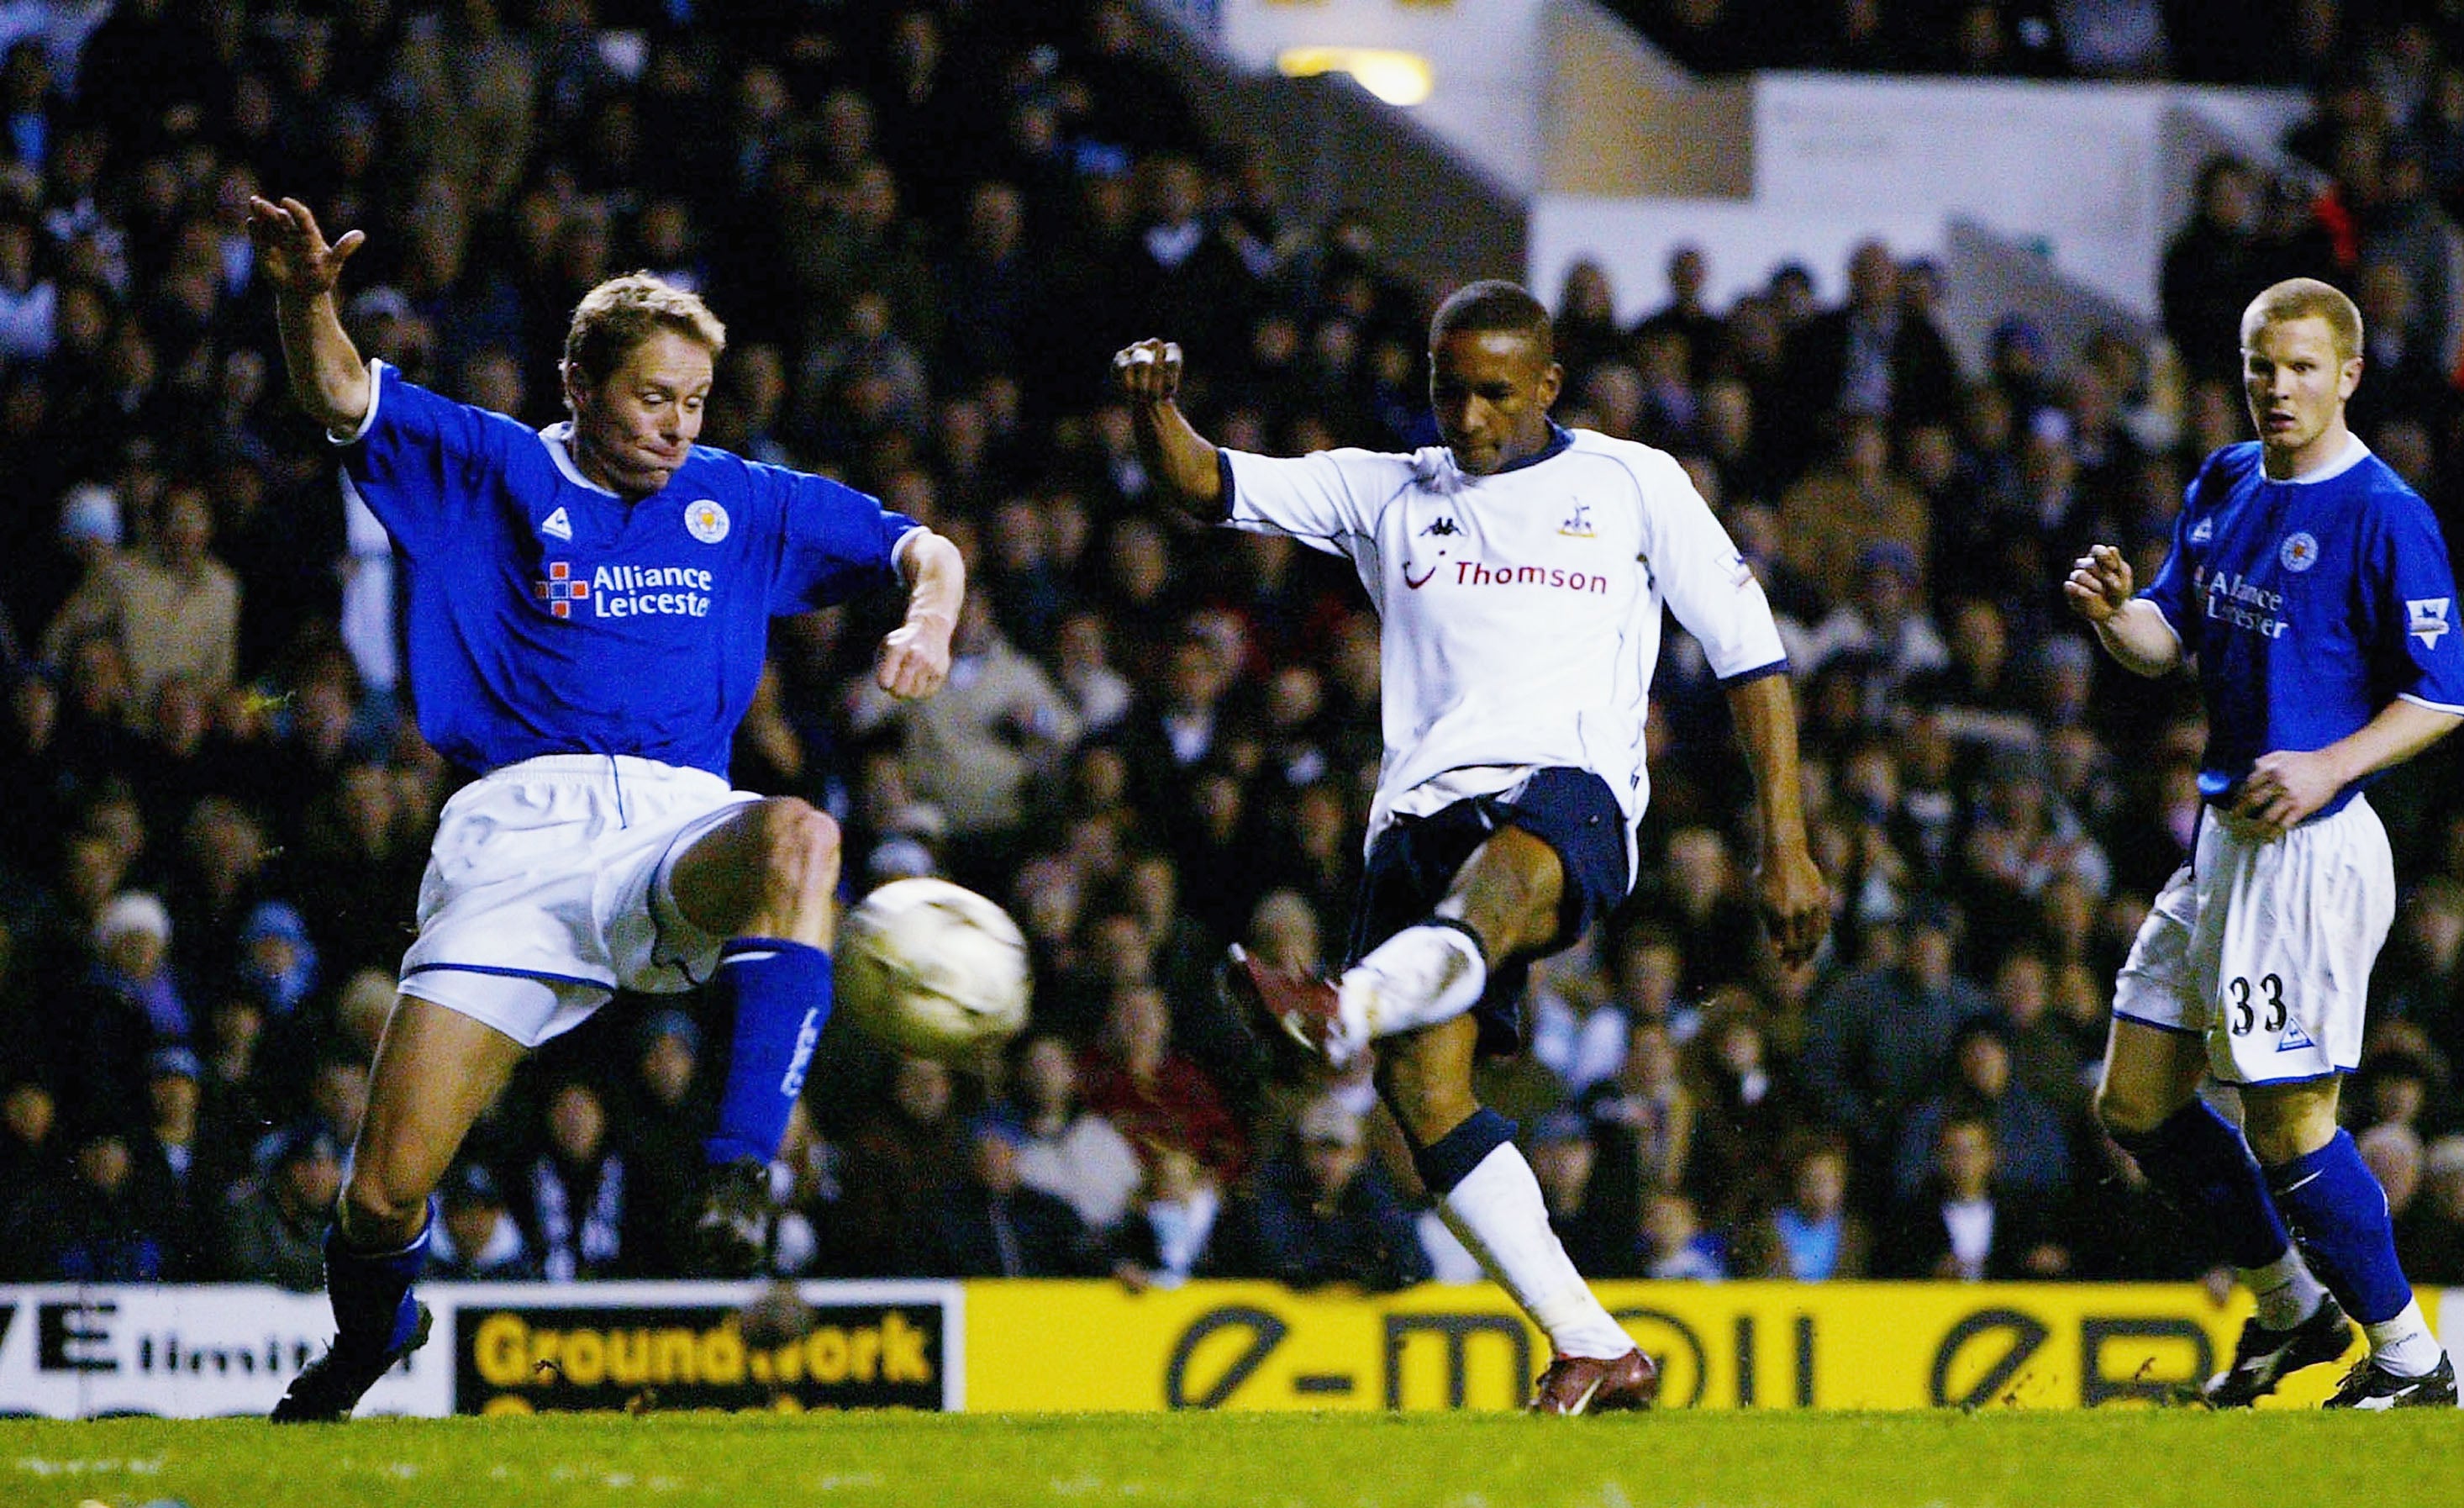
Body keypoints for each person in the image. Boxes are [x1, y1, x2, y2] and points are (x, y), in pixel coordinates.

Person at [246, 195, 964, 1422]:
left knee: (803, 831)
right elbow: (338, 396)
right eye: (652, 397)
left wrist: (929, 616)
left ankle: (742, 1175)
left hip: (675, 826)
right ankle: (371, 1337)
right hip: (515, 840)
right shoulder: (498, 465)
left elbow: (924, 548)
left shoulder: (738, 497)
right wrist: (305, 298)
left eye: (694, 401)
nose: (678, 426)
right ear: (579, 379)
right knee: (382, 1192)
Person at [1114, 279, 1828, 1415]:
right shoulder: (1388, 489)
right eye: (1453, 390)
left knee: (1500, 886)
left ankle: (1344, 1005)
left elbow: (1751, 653)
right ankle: (1594, 1342)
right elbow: (1211, 481)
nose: (1473, 415)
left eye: (1498, 392)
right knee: (1424, 1089)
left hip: (1569, 793)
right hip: (1416, 818)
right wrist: (1155, 407)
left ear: (1549, 385)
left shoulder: (1634, 483)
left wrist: (1784, 840)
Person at [2064, 277, 2464, 1410]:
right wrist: (2111, 616)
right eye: (2260, 366)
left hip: (2314, 849)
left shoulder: (2385, 511)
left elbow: (2444, 695)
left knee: (2292, 1119)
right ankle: (2298, 1313)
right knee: (2136, 1103)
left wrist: (2331, 763)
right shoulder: (2227, 477)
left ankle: (2410, 1359)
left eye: (2300, 367)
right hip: (2224, 843)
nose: (2277, 388)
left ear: (2346, 374)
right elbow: (2165, 633)